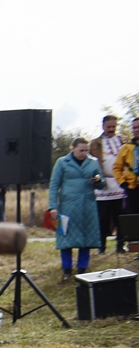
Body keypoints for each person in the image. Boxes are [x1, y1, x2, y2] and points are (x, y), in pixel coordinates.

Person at [49, 138, 103, 278]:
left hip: (87, 206)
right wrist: (52, 206)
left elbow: (101, 182)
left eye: (86, 150)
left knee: (86, 239)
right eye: (81, 150)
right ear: (72, 148)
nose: (84, 153)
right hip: (68, 207)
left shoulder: (93, 162)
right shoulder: (62, 162)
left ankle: (82, 268)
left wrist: (98, 180)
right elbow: (54, 185)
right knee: (65, 238)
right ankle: (67, 269)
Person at [91, 115, 126, 253]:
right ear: (103, 126)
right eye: (108, 127)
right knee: (103, 218)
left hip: (120, 184)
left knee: (120, 218)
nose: (111, 129)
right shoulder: (95, 144)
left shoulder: (122, 141)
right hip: (103, 186)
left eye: (113, 127)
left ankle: (120, 245)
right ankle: (101, 246)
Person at [114, 116, 139, 248]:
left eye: (138, 127)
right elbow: (117, 168)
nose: (136, 130)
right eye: (134, 127)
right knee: (133, 217)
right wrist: (123, 183)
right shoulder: (126, 148)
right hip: (132, 188)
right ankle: (135, 247)